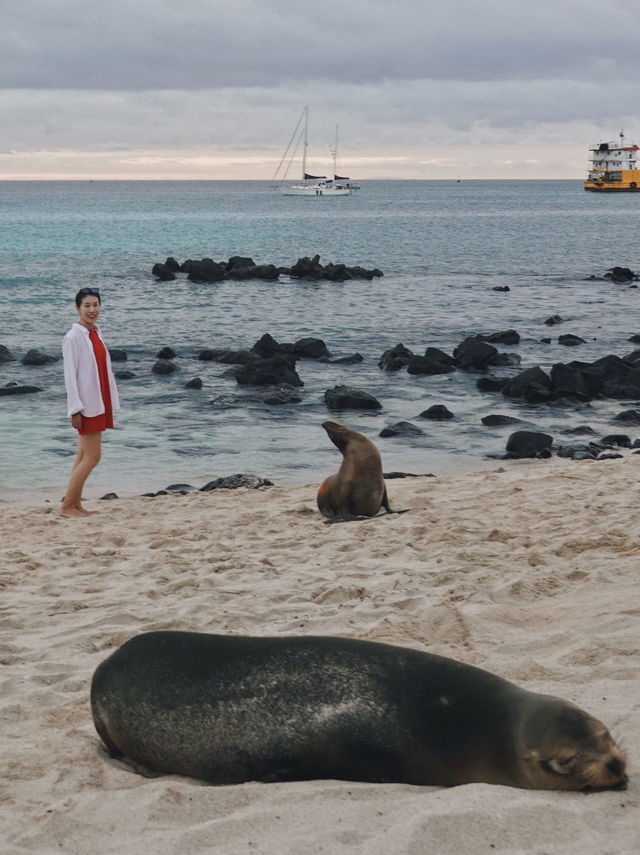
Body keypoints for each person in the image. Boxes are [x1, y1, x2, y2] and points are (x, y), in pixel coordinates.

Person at [60, 288, 120, 517]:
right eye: (87, 305)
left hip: (99, 398)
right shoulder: (72, 337)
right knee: (94, 456)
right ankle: (67, 507)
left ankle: (74, 504)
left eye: (96, 305)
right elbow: (70, 376)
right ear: (78, 308)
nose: (92, 310)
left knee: (82, 456)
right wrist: (75, 409)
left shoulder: (95, 333)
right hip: (86, 404)